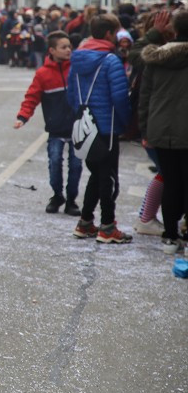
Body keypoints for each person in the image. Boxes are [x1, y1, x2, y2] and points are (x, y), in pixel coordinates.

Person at [66, 13, 132, 244]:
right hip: (107, 127)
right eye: (115, 33)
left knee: (96, 174)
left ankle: (85, 222)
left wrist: (82, 117)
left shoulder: (77, 59)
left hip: (85, 126)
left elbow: (71, 95)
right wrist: (125, 124)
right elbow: (120, 98)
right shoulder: (111, 60)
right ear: (108, 34)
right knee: (109, 179)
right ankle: (107, 227)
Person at [14, 31, 82, 216]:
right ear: (52, 50)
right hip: (56, 128)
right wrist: (23, 117)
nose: (68, 50)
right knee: (54, 163)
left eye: (69, 46)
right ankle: (57, 195)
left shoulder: (77, 68)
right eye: (63, 47)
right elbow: (32, 97)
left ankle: (71, 200)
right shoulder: (43, 74)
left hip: (77, 128)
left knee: (76, 166)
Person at [138, 9, 188, 255]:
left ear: (174, 30)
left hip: (161, 126)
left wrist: (144, 127)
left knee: (170, 182)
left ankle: (170, 235)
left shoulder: (155, 58)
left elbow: (144, 96)